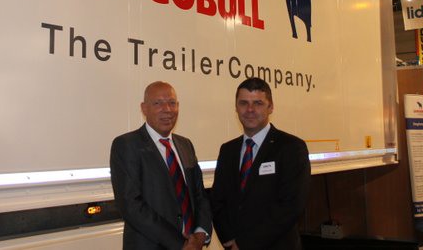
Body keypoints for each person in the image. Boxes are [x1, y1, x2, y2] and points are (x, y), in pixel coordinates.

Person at [110, 81, 212, 249]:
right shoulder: (127, 145)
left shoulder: (185, 145)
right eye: (158, 103)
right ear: (144, 108)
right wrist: (181, 244)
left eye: (172, 103)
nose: (167, 109)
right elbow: (131, 205)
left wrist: (201, 234)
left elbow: (199, 194)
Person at [211, 77, 310, 250]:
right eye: (243, 103)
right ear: (236, 107)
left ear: (270, 107)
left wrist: (245, 244)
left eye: (258, 103)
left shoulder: (291, 147)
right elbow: (217, 200)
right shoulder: (227, 150)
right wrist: (228, 239)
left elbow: (291, 206)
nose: (250, 109)